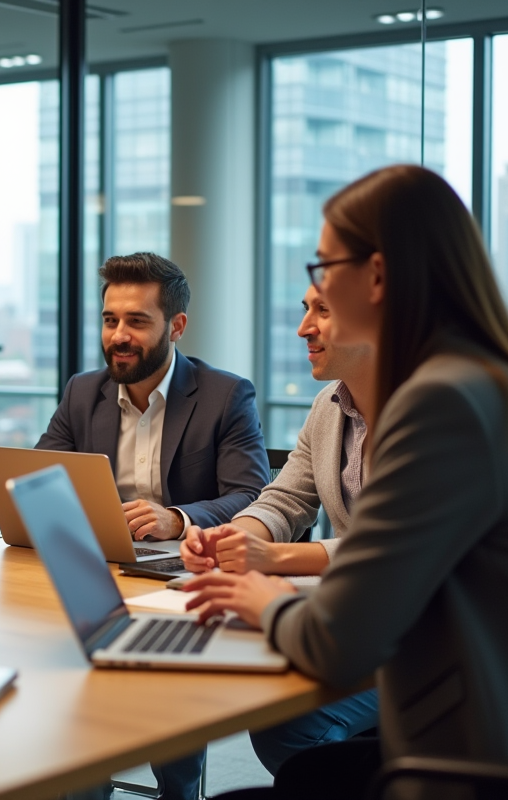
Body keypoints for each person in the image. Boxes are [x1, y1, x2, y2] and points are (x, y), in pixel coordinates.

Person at [182, 165, 508, 798]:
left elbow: (337, 641)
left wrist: (263, 597)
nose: (313, 304)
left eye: (324, 268)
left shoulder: (443, 406)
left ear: (376, 276)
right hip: (507, 741)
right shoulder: (494, 386)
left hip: (485, 770)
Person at [35, 252, 269, 800]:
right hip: (96, 570)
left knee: (167, 669)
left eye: (137, 321)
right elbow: (41, 477)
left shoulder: (225, 395)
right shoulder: (82, 392)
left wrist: (178, 518)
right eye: (110, 319)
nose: (119, 335)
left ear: (176, 326)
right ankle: (84, 781)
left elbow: (252, 495)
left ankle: (177, 789)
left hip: (178, 573)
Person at [154, 286, 378, 792]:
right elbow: (285, 498)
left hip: (426, 638)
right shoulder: (329, 405)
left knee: (289, 724)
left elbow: (393, 548)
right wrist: (231, 538)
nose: (303, 328)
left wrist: (272, 557)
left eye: (324, 310)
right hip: (360, 610)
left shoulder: (424, 418)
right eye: (305, 310)